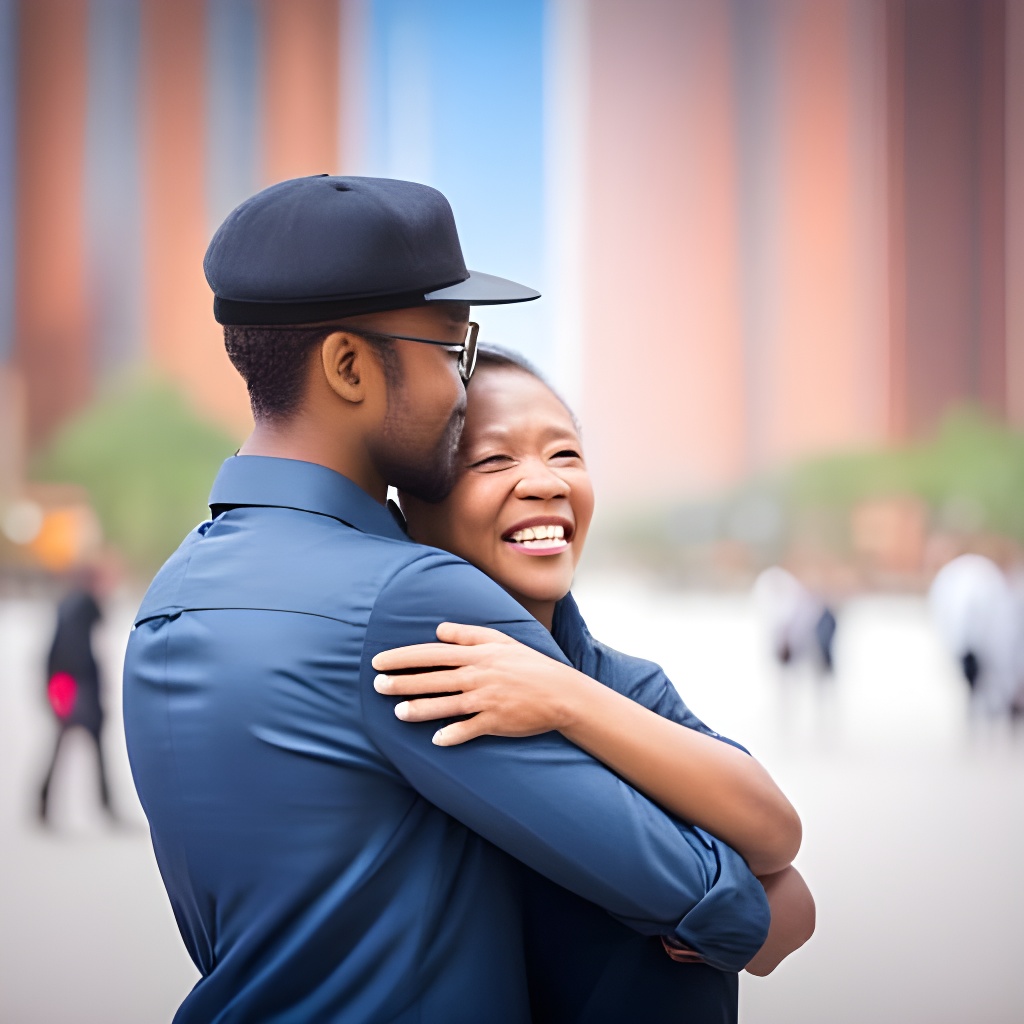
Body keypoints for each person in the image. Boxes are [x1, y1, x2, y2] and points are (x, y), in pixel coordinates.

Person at [122, 176, 771, 1023]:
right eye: (451, 351)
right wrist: (752, 888)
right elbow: (704, 899)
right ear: (350, 366)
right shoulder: (407, 600)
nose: (462, 390)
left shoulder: (170, 598)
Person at [375, 348, 815, 1022]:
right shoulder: (429, 678)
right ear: (409, 508)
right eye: (494, 460)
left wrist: (563, 698)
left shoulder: (626, 683)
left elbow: (778, 842)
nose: (546, 483)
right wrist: (729, 903)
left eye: (566, 454)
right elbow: (773, 906)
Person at [38, 563, 115, 826]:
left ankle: (44, 803)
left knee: (64, 743)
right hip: (77, 685)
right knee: (83, 742)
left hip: (62, 681)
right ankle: (105, 806)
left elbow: (56, 649)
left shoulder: (67, 602)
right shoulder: (86, 603)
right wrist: (92, 692)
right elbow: (78, 651)